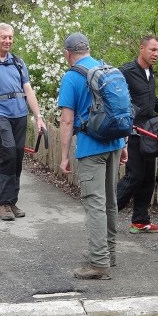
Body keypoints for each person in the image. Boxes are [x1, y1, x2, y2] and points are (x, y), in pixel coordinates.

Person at [57, 33, 126, 279]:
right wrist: (124, 143)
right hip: (115, 142)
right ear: (88, 49)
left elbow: (67, 120)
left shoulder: (72, 77)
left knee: (94, 203)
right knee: (110, 201)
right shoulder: (105, 69)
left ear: (68, 53)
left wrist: (64, 156)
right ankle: (109, 253)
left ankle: (99, 264)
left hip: (91, 147)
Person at [0, 23, 46, 220]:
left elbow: (28, 90)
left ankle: (11, 201)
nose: (7, 41)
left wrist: (38, 117)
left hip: (19, 113)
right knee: (7, 151)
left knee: (17, 155)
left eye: (10, 37)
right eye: (4, 37)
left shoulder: (18, 62)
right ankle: (3, 203)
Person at [117, 35, 158, 233]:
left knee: (148, 178)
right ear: (141, 49)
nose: (156, 54)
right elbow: (115, 95)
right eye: (153, 50)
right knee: (134, 176)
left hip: (149, 132)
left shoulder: (150, 73)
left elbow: (150, 99)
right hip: (133, 132)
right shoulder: (126, 72)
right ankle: (104, 214)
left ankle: (140, 220)